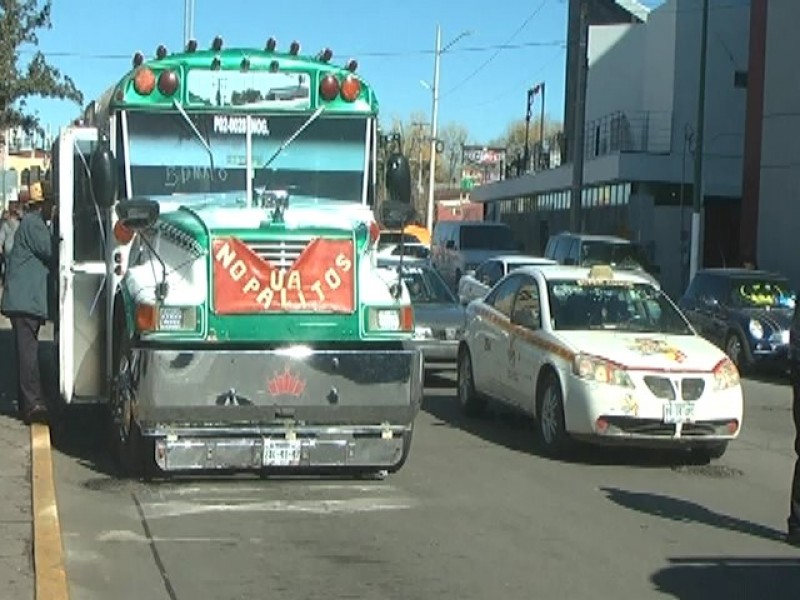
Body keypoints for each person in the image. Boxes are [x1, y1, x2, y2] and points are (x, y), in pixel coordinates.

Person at [0, 182, 55, 424]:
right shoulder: (34, 224)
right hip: (24, 301)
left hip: (23, 300)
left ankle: (28, 402)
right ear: (41, 204)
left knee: (27, 352)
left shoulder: (32, 222)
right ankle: (32, 404)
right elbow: (52, 251)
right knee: (28, 354)